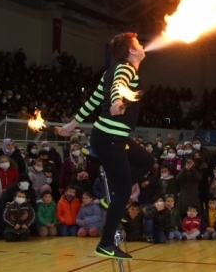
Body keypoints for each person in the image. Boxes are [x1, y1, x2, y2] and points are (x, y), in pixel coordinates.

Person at [58, 32, 155, 260]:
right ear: (131, 51)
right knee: (122, 192)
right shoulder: (125, 67)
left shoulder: (110, 70)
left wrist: (72, 124)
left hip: (112, 136)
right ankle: (105, 244)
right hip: (110, 137)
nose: (142, 46)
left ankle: (108, 195)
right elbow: (119, 85)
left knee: (146, 160)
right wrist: (117, 101)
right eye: (138, 44)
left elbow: (93, 100)